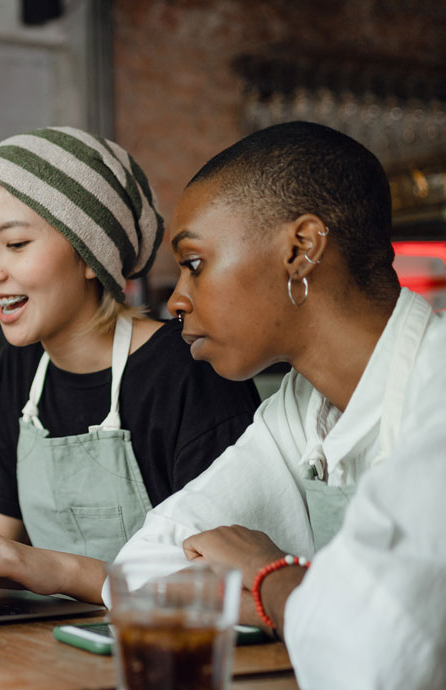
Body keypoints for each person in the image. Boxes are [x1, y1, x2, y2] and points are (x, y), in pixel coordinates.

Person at [108, 121, 446, 685]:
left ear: (301, 250)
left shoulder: (436, 390)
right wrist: (314, 609)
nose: (177, 300)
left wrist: (270, 579)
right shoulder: (300, 409)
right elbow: (141, 568)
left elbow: (381, 657)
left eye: (194, 263)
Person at [0, 127, 261, 604]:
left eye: (16, 243)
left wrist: (57, 569)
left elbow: (223, 585)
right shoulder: (21, 369)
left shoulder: (188, 370)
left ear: (92, 255)